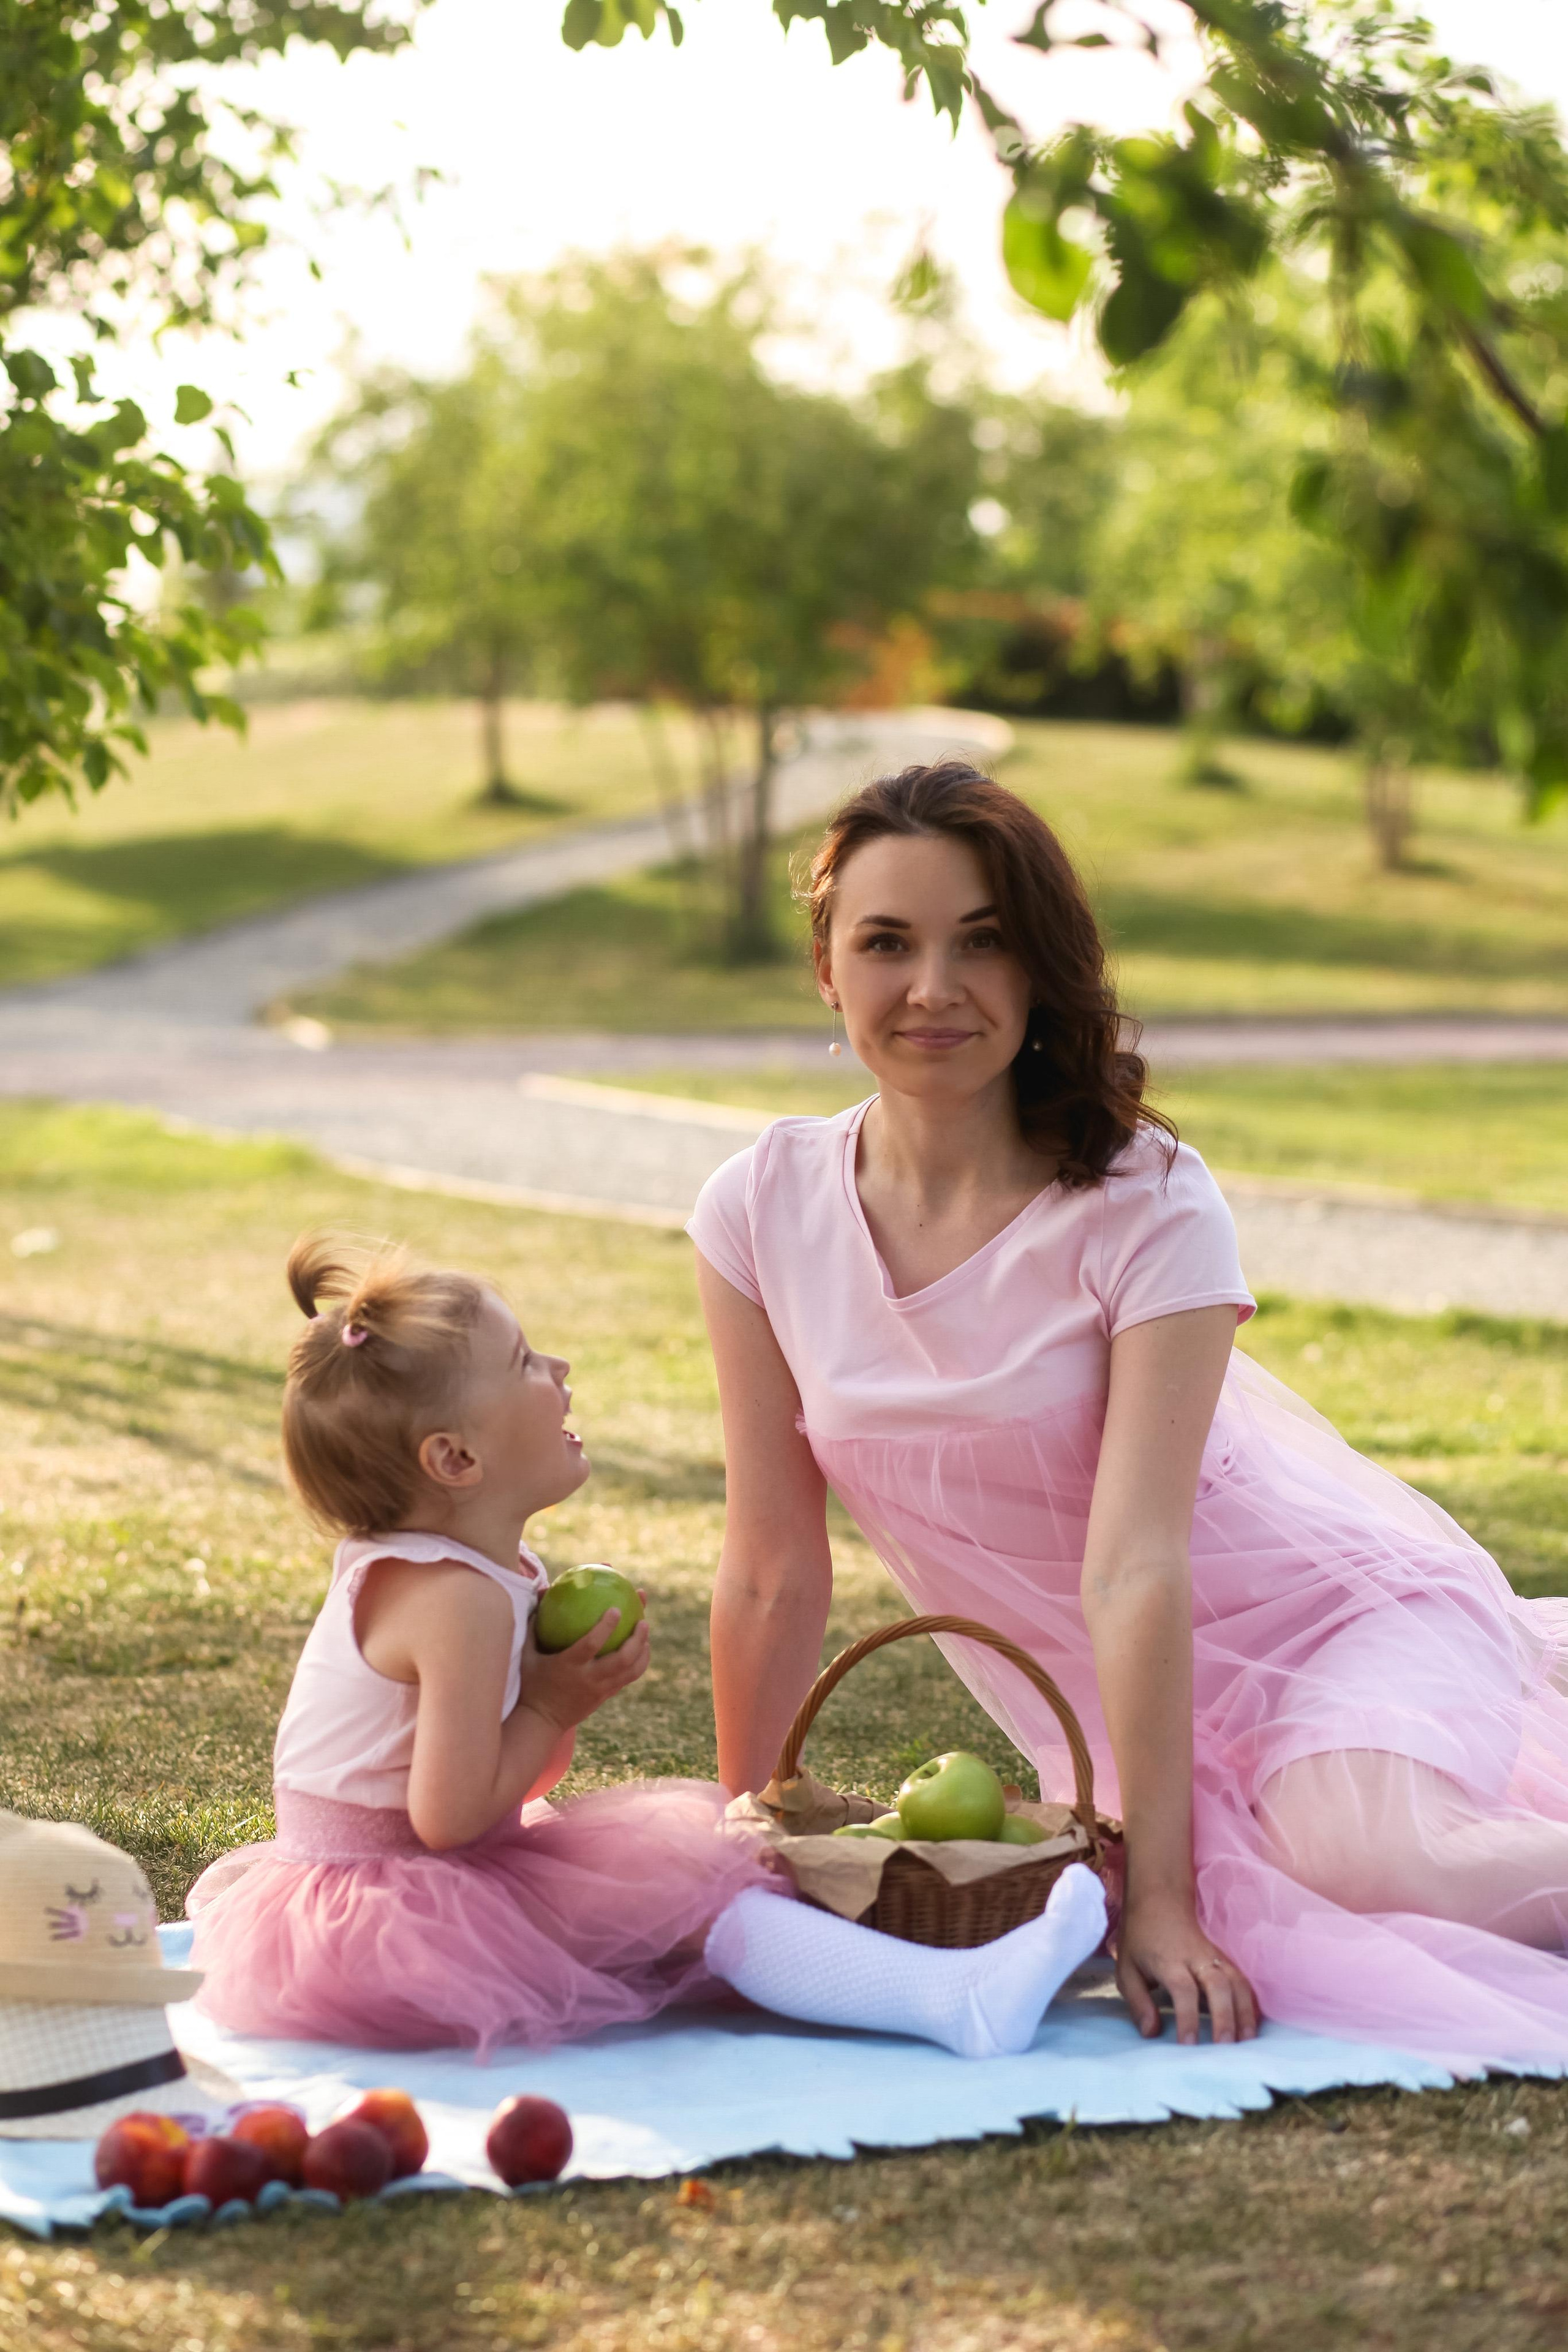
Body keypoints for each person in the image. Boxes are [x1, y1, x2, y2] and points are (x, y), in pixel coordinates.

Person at [690, 759, 1568, 2063]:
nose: (933, 987)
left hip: (1332, 1625)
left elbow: (1134, 1564)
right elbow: (770, 1565)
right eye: (886, 943)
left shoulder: (1142, 1199)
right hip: (1120, 1714)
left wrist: (1160, 1901)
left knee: (1366, 1865)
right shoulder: (758, 1208)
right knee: (1273, 1885)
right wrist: (744, 1837)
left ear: (1040, 965)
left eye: (982, 941)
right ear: (827, 967)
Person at [187, 1236, 1106, 2059]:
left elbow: (513, 1786)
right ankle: (955, 1998)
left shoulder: (477, 1576)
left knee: (684, 1900)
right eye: (524, 1362)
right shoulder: (453, 1601)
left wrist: (554, 1701)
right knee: (702, 1898)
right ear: (455, 1460)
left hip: (423, 1874)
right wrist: (551, 1701)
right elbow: (452, 1818)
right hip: (394, 1916)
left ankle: (941, 1983)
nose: (559, 1367)